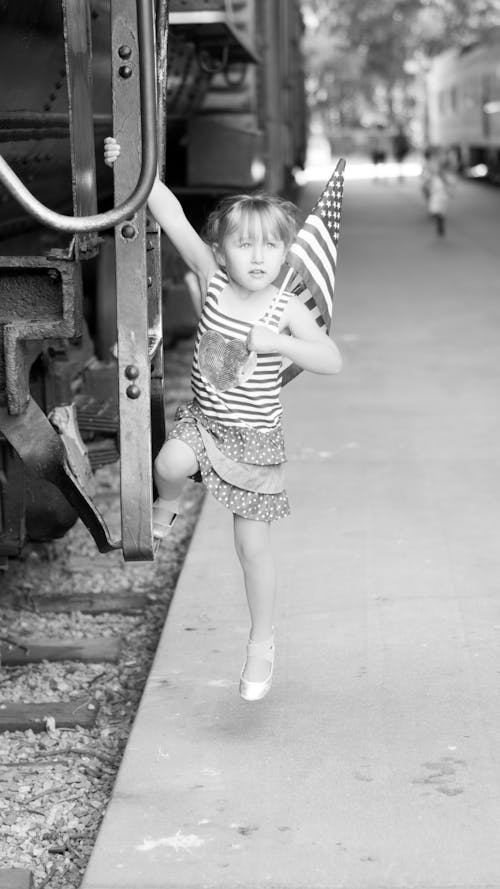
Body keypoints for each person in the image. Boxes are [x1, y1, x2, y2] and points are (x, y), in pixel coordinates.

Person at [104, 137, 342, 703]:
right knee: (171, 460)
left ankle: (262, 641)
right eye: (243, 246)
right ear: (223, 249)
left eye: (270, 247)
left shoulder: (288, 305)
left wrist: (281, 341)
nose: (257, 258)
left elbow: (331, 359)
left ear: (286, 254)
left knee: (250, 547)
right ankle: (167, 505)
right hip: (206, 422)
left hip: (256, 441)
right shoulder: (212, 279)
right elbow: (173, 216)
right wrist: (134, 168)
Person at [424, 149, 456, 237]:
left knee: (440, 210)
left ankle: (440, 222)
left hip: (442, 195)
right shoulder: (435, 175)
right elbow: (427, 179)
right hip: (436, 194)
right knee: (434, 209)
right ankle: (439, 220)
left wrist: (451, 192)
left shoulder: (446, 176)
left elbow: (451, 184)